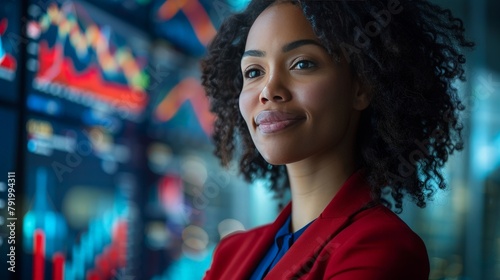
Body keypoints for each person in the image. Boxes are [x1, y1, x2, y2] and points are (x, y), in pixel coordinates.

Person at [200, 0, 473, 279]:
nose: (268, 90)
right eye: (254, 72)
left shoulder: (381, 247)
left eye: (302, 64)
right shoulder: (230, 253)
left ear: (361, 87)